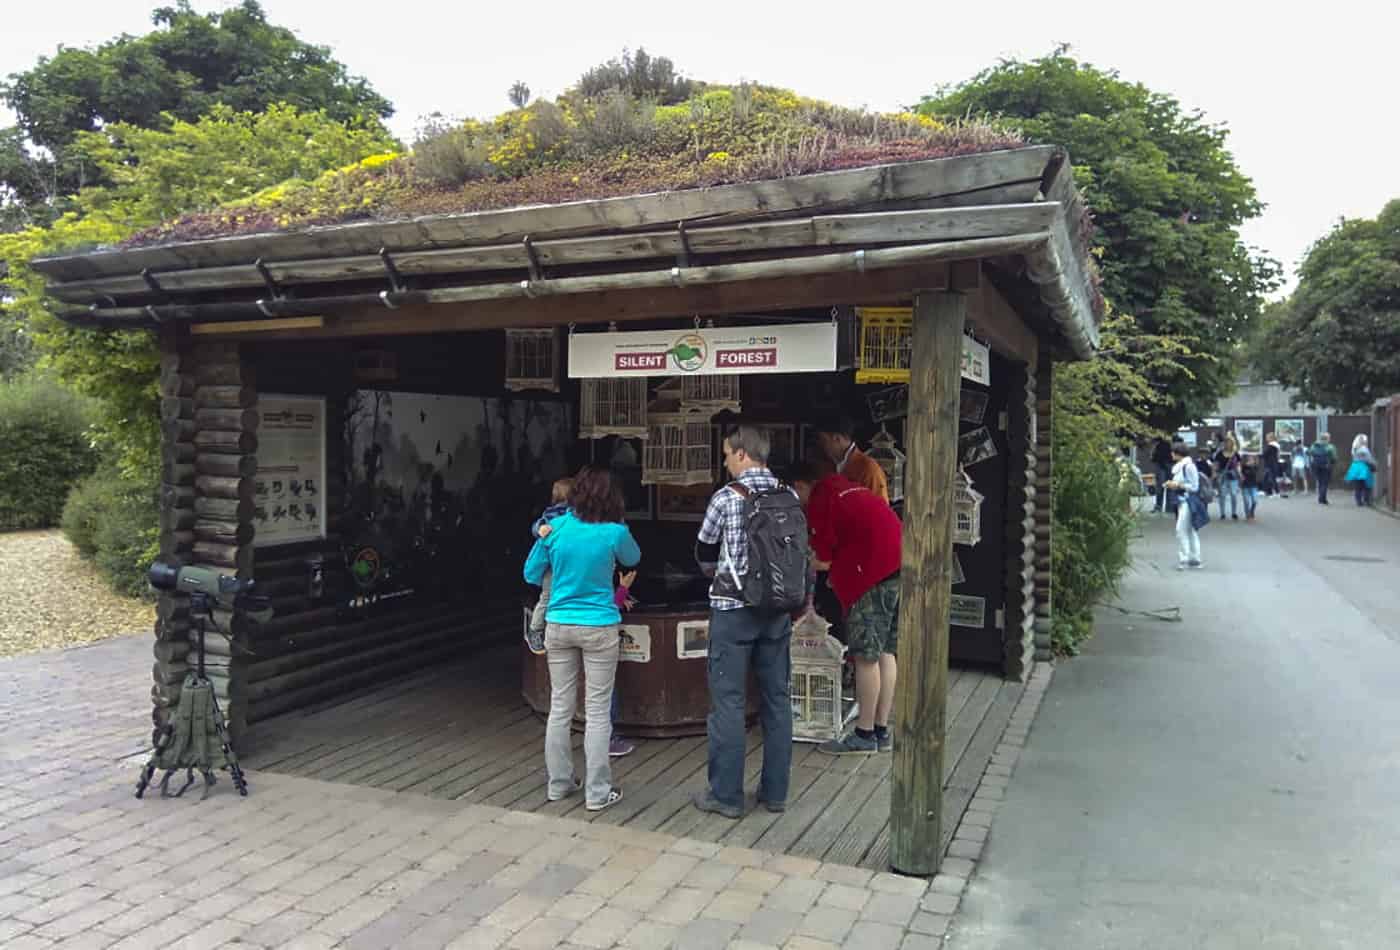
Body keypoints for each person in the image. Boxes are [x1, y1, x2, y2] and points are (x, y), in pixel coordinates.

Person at [692, 425, 802, 819]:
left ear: (741, 454)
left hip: (733, 610)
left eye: (726, 454)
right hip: (776, 612)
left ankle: (726, 796)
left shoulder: (726, 498)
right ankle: (775, 793)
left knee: (729, 703)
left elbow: (704, 550)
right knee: (777, 701)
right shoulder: (789, 496)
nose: (724, 462)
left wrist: (719, 572)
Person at [523, 466, 640, 812]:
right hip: (600, 626)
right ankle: (597, 792)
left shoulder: (555, 529)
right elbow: (633, 557)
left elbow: (530, 573)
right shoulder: (614, 532)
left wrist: (545, 539)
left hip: (559, 625)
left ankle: (559, 784)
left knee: (560, 707)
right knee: (598, 712)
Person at [789, 460, 903, 755]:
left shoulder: (820, 499)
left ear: (802, 485)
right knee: (885, 652)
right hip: (898, 566)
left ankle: (863, 735)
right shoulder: (847, 488)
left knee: (865, 657)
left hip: (872, 575)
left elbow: (824, 559)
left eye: (793, 491)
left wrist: (803, 559)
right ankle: (880, 729)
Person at [524, 477, 574, 655]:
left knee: (550, 597)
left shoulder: (571, 513)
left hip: (563, 564)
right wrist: (539, 528)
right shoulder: (554, 514)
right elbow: (537, 526)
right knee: (547, 597)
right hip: (554, 565)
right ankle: (535, 629)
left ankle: (543, 629)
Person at [813, 414, 890, 503]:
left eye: (823, 440)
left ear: (837, 438)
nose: (821, 445)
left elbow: (880, 512)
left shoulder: (868, 469)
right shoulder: (826, 465)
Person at [608, 570, 638, 758]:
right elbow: (608, 607)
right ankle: (608, 740)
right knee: (605, 691)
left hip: (563, 626)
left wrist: (620, 595)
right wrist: (623, 589)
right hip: (595, 633)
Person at [1165, 442, 1203, 570]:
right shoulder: (1181, 466)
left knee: (1181, 529)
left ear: (1178, 453)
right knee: (1190, 529)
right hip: (1182, 501)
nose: (1171, 454)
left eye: (1173, 452)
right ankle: (1194, 558)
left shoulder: (1188, 466)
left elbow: (1195, 486)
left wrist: (1178, 485)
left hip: (1187, 500)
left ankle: (1185, 558)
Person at [1214, 436, 1244, 521]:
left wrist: (1240, 474)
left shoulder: (1235, 454)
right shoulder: (1219, 453)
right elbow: (1216, 464)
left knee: (1233, 494)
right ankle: (1222, 513)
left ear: (1232, 444)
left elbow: (1238, 465)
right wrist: (1215, 473)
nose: (1228, 444)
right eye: (1226, 442)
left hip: (1233, 476)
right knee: (1222, 495)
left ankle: (1234, 513)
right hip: (1223, 475)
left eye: (1230, 442)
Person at [1346, 435, 1376, 507]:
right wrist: (1374, 464)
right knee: (1367, 485)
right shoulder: (1364, 449)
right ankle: (1367, 500)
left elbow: (1353, 457)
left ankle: (1358, 501)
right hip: (1364, 468)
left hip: (1356, 467)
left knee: (1357, 486)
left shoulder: (1354, 449)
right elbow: (1368, 459)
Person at [1309, 433, 1338, 505]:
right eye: (1329, 438)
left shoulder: (1314, 445)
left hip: (1316, 466)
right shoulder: (1330, 447)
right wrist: (1333, 462)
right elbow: (1334, 457)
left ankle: (1322, 499)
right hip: (1326, 466)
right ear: (1327, 439)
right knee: (1324, 483)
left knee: (1320, 482)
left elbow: (1309, 453)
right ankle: (1322, 499)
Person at [1151, 437, 1174, 514]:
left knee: (1160, 487)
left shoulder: (1157, 446)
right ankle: (1169, 508)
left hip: (1161, 466)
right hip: (1169, 465)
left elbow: (1153, 457)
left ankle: (1158, 506)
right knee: (1169, 487)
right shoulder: (1169, 444)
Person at [1240, 454, 1260, 521]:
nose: (1250, 461)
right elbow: (1241, 474)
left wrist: (1252, 465)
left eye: (1252, 459)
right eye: (1249, 459)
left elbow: (1256, 472)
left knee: (1255, 500)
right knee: (1246, 501)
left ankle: (1252, 511)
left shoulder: (1255, 467)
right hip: (1245, 486)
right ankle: (1248, 515)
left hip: (1253, 486)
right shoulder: (1243, 467)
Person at [1262, 433, 1281, 497]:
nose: (1266, 438)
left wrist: (1259, 456)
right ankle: (1268, 491)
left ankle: (1275, 492)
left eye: (1267, 437)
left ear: (1271, 438)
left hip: (1270, 464)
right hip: (1273, 464)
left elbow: (1265, 454)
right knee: (1267, 478)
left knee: (1271, 478)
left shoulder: (1271, 446)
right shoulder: (1276, 446)